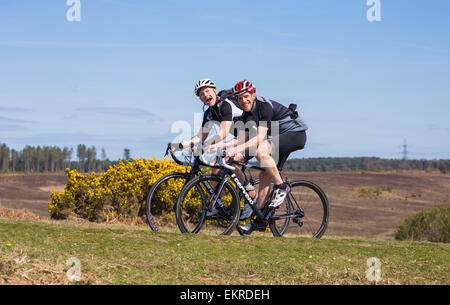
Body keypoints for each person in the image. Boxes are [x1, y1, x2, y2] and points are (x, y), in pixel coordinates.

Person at [226, 80, 308, 234]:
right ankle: (260, 221)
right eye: (239, 98)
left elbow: (259, 137)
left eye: (246, 96)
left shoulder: (264, 106)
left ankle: (282, 187)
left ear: (253, 94)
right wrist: (219, 146)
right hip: (279, 135)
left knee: (261, 151)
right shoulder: (247, 114)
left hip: (295, 134)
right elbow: (241, 138)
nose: (243, 101)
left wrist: (236, 148)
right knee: (264, 175)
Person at [170, 78, 255, 219]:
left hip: (252, 137)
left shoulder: (226, 105)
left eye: (207, 91)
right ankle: (217, 204)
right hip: (238, 139)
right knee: (216, 167)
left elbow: (222, 132)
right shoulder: (210, 113)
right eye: (201, 94)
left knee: (231, 160)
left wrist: (207, 146)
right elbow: (199, 137)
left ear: (214, 91)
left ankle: (251, 196)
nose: (205, 95)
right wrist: (179, 146)